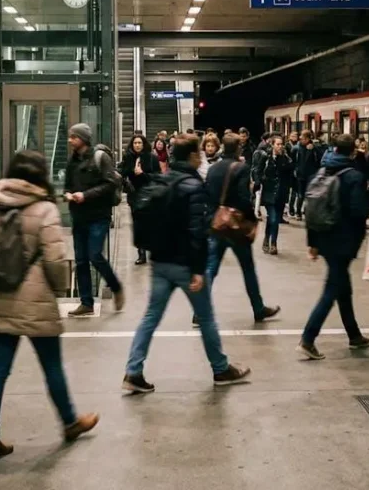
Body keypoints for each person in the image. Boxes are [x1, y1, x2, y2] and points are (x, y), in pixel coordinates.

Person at [0, 151, 99, 460]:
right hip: (36, 297)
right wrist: (58, 289)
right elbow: (55, 259)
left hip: (1, 293)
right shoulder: (45, 209)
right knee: (51, 365)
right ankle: (70, 422)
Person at [122, 133, 251, 393]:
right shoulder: (193, 186)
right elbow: (196, 231)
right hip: (184, 265)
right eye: (198, 154)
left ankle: (133, 371)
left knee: (150, 317)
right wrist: (198, 270)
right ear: (192, 156)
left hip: (160, 262)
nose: (200, 158)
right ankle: (220, 368)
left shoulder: (162, 179)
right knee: (206, 317)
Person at [298, 134, 369, 360]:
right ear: (353, 152)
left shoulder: (321, 172)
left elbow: (311, 209)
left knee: (343, 288)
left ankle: (354, 335)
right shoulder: (354, 177)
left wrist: (312, 243)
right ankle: (308, 338)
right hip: (343, 242)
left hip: (324, 238)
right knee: (331, 290)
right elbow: (359, 212)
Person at [202, 133, 280, 324]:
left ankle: (199, 310)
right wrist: (252, 219)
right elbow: (244, 198)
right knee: (248, 268)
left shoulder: (213, 169)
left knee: (211, 268)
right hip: (235, 227)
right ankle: (258, 308)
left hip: (217, 224)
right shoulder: (241, 168)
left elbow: (208, 195)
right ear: (237, 148)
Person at [64, 123, 124, 317]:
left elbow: (110, 183)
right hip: (79, 216)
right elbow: (67, 185)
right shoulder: (72, 161)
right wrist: (68, 194)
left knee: (95, 255)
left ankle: (115, 286)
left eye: (74, 137)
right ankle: (86, 302)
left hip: (98, 216)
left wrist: (85, 195)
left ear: (83, 139)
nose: (70, 140)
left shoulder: (100, 158)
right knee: (81, 260)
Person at [120, 133, 158, 265]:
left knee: (150, 223)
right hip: (134, 195)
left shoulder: (152, 158)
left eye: (139, 143)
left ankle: (153, 249)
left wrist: (142, 174)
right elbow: (123, 174)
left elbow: (157, 177)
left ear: (143, 144)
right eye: (135, 143)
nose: (137, 145)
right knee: (137, 224)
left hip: (148, 194)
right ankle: (141, 253)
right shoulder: (128, 157)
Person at [259, 135, 293, 254]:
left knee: (275, 219)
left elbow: (290, 173)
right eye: (278, 144)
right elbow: (258, 171)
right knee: (273, 218)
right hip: (269, 192)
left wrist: (285, 158)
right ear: (272, 145)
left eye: (281, 144)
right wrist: (260, 182)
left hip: (280, 193)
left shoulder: (285, 158)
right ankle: (268, 240)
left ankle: (272, 242)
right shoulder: (266, 157)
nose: (280, 146)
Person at [292, 130, 322, 217]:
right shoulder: (297, 148)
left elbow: (319, 159)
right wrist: (295, 169)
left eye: (304, 138)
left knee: (309, 194)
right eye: (301, 138)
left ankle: (306, 211)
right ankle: (298, 212)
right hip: (300, 174)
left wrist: (314, 148)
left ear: (308, 139)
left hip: (311, 175)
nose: (301, 140)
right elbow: (294, 160)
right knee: (300, 195)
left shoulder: (314, 148)